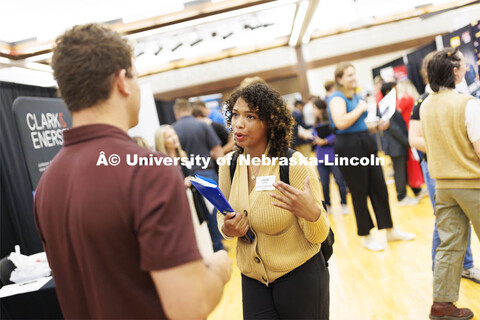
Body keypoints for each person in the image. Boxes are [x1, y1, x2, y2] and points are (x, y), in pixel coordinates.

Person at [34, 23, 232, 319]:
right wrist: (219, 268)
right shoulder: (149, 171)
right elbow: (190, 306)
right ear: (122, 81)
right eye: (137, 76)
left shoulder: (47, 183)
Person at [218, 82, 331, 319]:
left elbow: (319, 236)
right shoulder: (228, 165)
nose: (238, 123)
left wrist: (312, 214)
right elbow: (223, 212)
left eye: (250, 116)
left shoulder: (293, 164)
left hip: (300, 277)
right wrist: (227, 228)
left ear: (269, 122)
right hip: (253, 279)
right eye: (235, 115)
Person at [328, 62, 415, 251]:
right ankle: (366, 236)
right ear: (339, 79)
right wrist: (360, 109)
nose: (353, 77)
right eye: (349, 75)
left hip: (364, 141)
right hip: (349, 147)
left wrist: (377, 126)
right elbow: (341, 123)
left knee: (379, 187)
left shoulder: (356, 97)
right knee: (359, 191)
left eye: (354, 74)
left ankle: (389, 229)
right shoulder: (337, 98)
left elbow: (358, 126)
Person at [409, 51, 480, 284]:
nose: (467, 68)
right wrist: (448, 149)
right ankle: (445, 271)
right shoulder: (426, 103)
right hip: (455, 175)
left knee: (451, 234)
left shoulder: (432, 103)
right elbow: (415, 138)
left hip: (445, 177)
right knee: (446, 230)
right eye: (463, 64)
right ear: (453, 71)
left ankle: (447, 292)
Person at [173, 98, 225, 252]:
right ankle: (218, 245)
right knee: (214, 211)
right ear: (189, 109)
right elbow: (217, 150)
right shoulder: (202, 125)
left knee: (196, 214)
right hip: (207, 172)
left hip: (186, 176)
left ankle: (203, 248)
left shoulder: (173, 130)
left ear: (176, 113)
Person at [155, 124, 214, 257]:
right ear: (162, 141)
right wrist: (182, 184)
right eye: (169, 136)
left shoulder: (183, 156)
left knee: (203, 236)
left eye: (174, 134)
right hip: (179, 207)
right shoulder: (161, 162)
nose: (174, 138)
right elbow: (162, 189)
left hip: (195, 204)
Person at [380, 82, 421, 206]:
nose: (397, 91)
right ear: (388, 92)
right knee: (399, 171)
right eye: (394, 89)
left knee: (403, 169)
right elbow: (394, 129)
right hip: (395, 145)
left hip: (398, 144)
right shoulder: (387, 107)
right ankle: (401, 196)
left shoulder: (389, 105)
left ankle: (415, 190)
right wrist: (407, 141)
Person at [312, 97, 348, 214]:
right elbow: (313, 134)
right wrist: (315, 138)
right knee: (324, 183)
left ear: (320, 109)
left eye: (314, 108)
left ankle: (344, 203)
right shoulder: (315, 123)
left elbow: (336, 135)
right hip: (321, 158)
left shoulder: (332, 121)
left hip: (333, 157)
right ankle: (328, 205)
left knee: (339, 181)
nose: (313, 110)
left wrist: (325, 141)